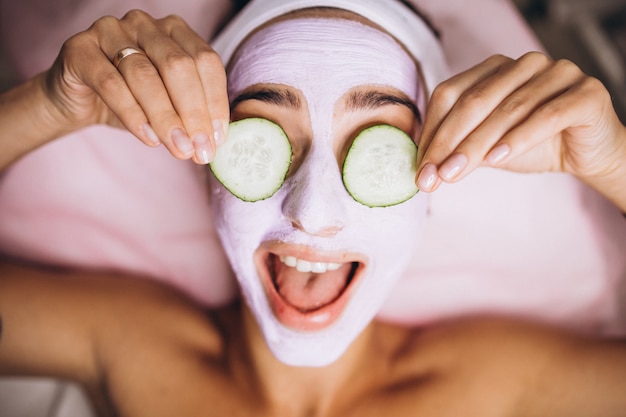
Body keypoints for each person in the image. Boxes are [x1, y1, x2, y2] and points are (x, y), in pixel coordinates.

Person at [2, 1, 626, 415]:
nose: (313, 211)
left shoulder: (497, 378)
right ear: (208, 176)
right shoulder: (137, 339)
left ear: (428, 195)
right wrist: (51, 106)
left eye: (376, 150)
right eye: (263, 140)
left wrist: (615, 161)